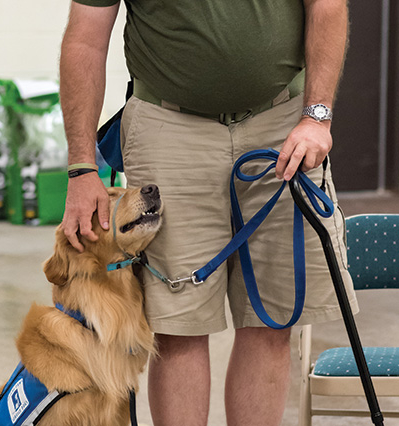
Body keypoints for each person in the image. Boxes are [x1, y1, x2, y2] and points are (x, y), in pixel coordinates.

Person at [58, 1, 357, 424]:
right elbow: (86, 40)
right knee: (177, 326)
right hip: (169, 128)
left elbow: (327, 6)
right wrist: (82, 166)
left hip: (281, 125)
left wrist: (317, 116)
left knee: (271, 320)